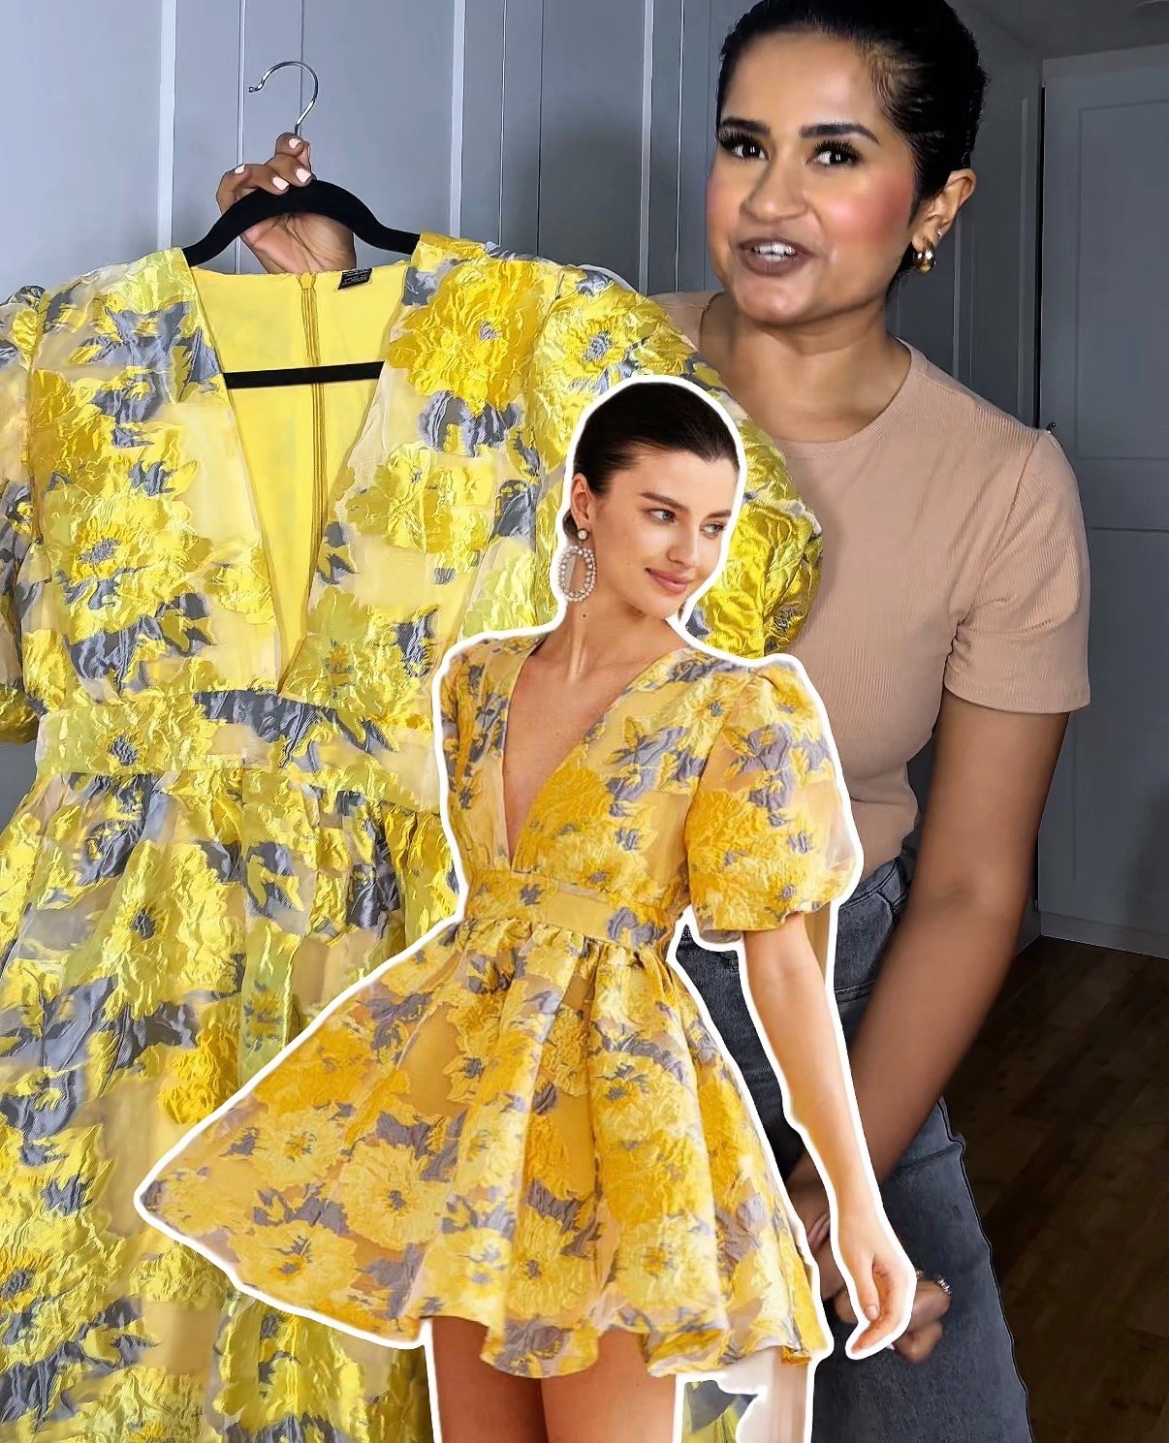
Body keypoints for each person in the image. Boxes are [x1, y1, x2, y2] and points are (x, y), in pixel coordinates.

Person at [211, 0, 1090, 1443]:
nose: (770, 197)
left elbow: (969, 888)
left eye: (834, 151)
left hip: (830, 1016)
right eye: (744, 143)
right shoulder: (584, 355)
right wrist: (321, 292)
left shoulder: (1003, 485)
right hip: (520, 1022)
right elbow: (401, 485)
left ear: (936, 203)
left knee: (938, 1411)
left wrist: (829, 1187)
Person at [137, 379, 914, 1443]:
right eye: (661, 512)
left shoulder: (738, 706)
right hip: (469, 1098)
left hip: (619, 1106)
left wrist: (855, 1198)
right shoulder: (477, 680)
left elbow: (784, 968)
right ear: (584, 503)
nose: (691, 551)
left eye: (714, 524)